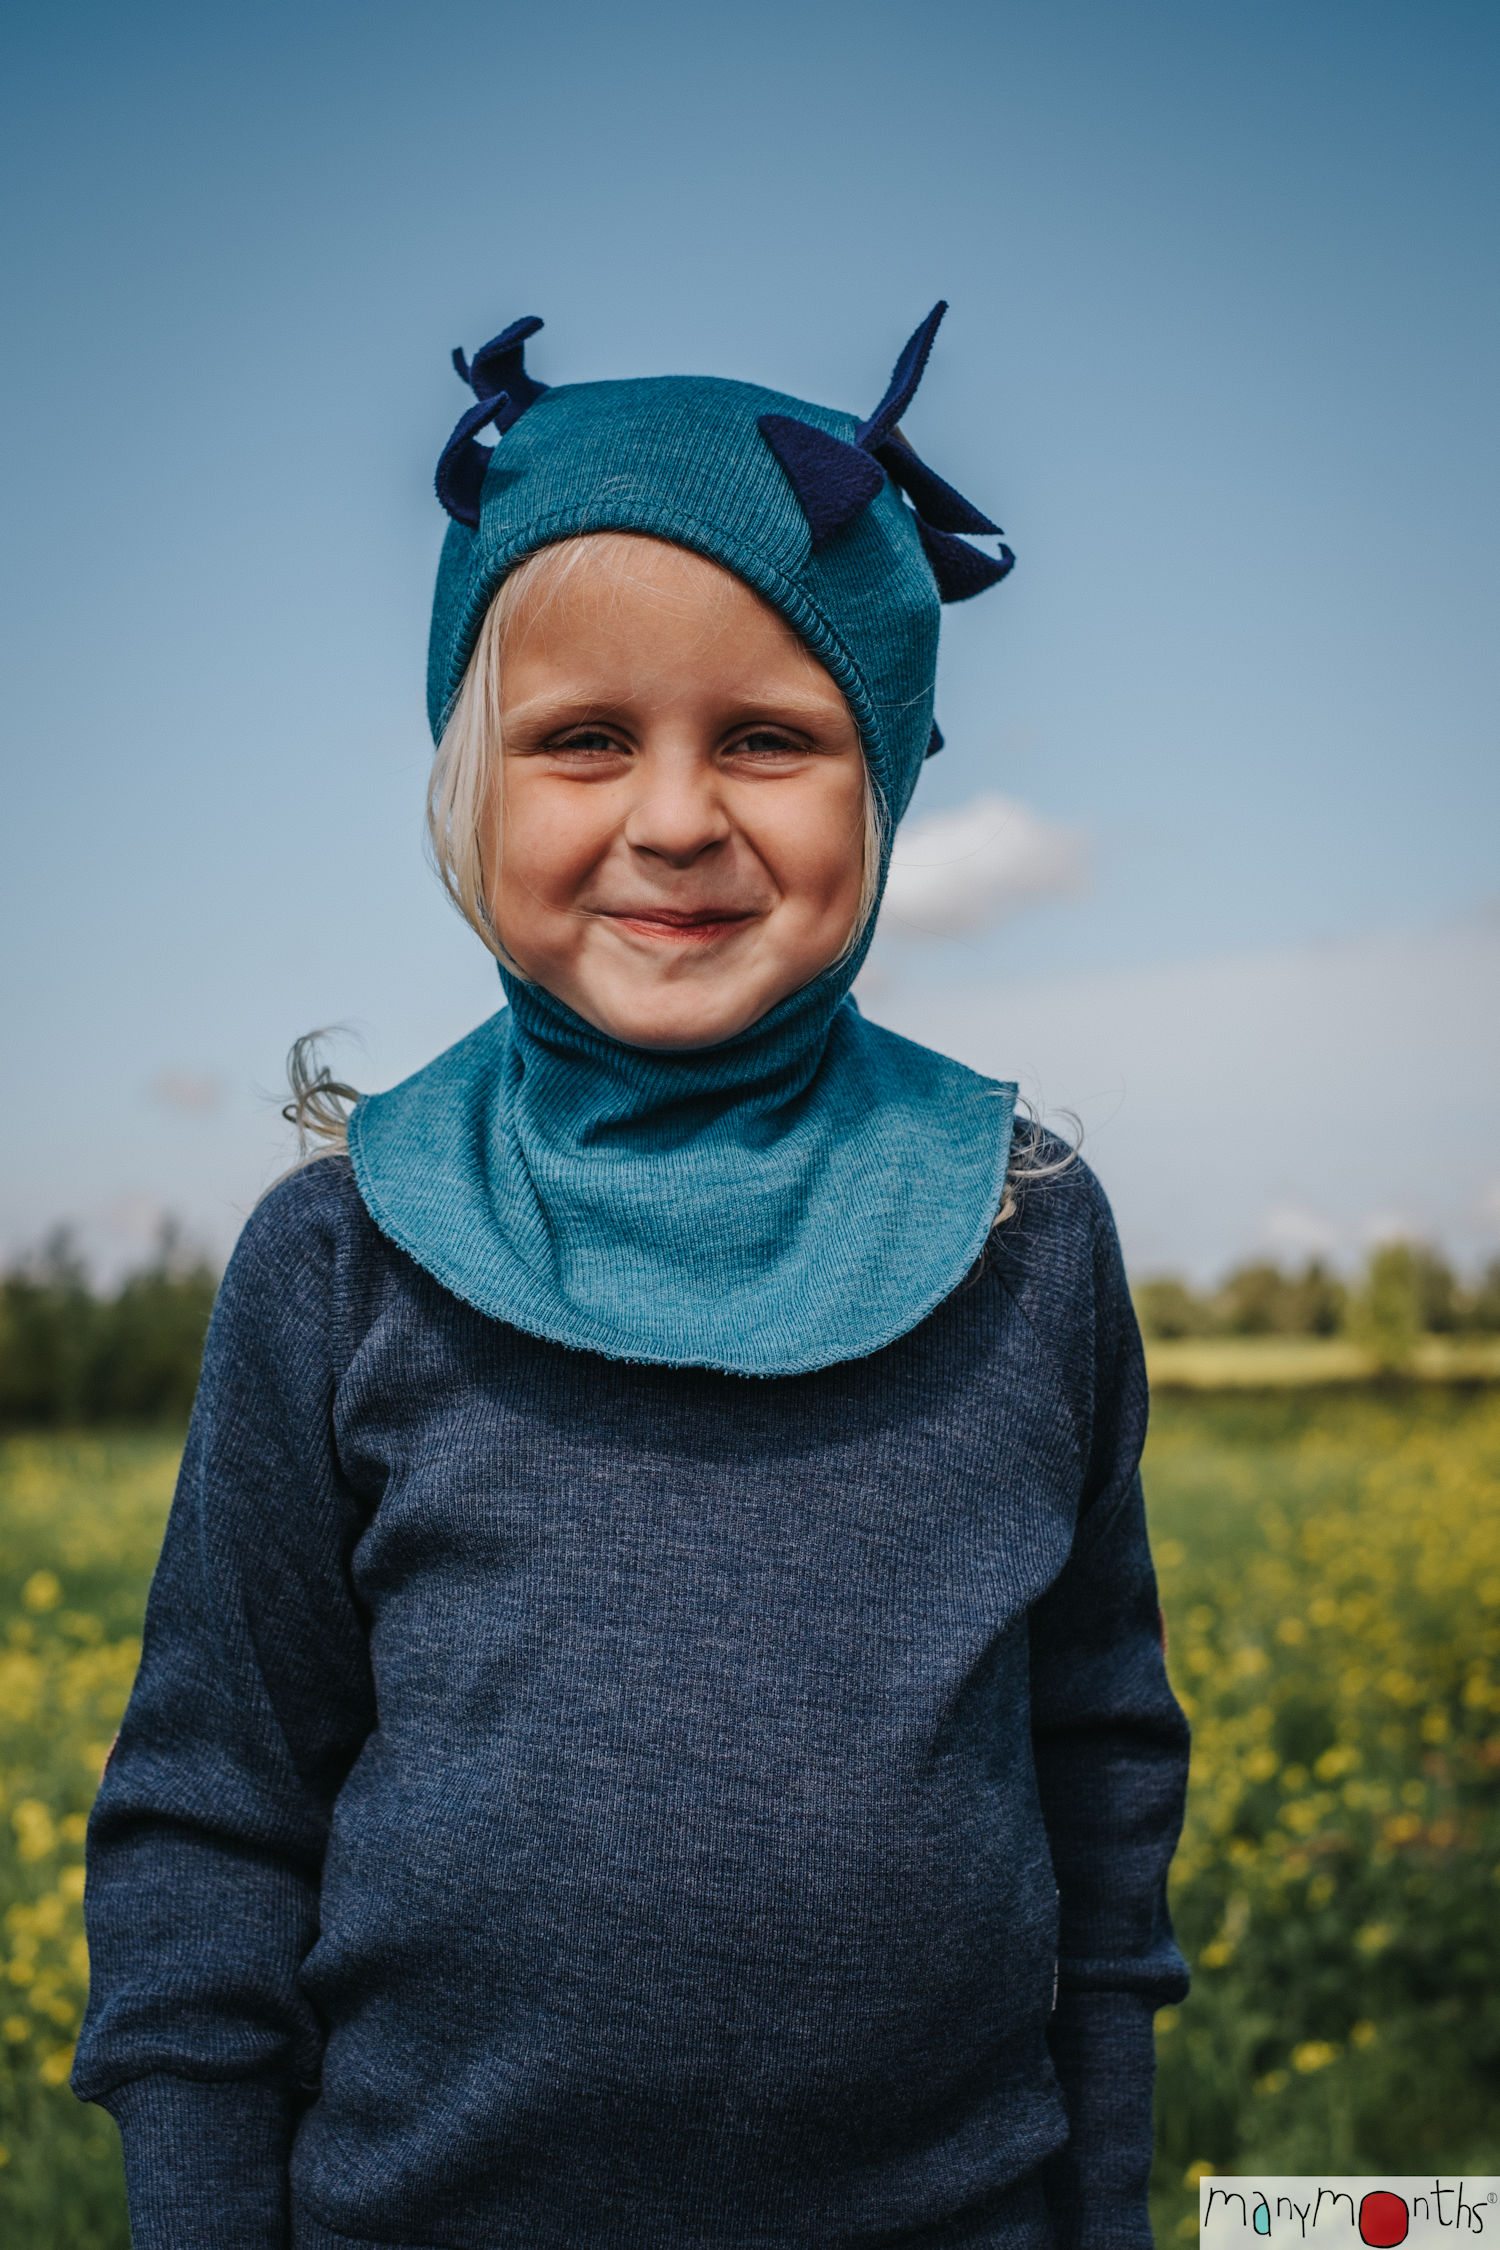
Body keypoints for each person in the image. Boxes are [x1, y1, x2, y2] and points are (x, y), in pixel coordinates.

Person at [73, 305, 1189, 2250]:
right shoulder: (339, 1258)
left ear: (887, 781)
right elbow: (213, 1816)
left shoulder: (1031, 1234)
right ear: (467, 785)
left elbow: (1099, 1773)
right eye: (584, 737)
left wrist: (1103, 2194)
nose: (676, 818)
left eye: (769, 735)